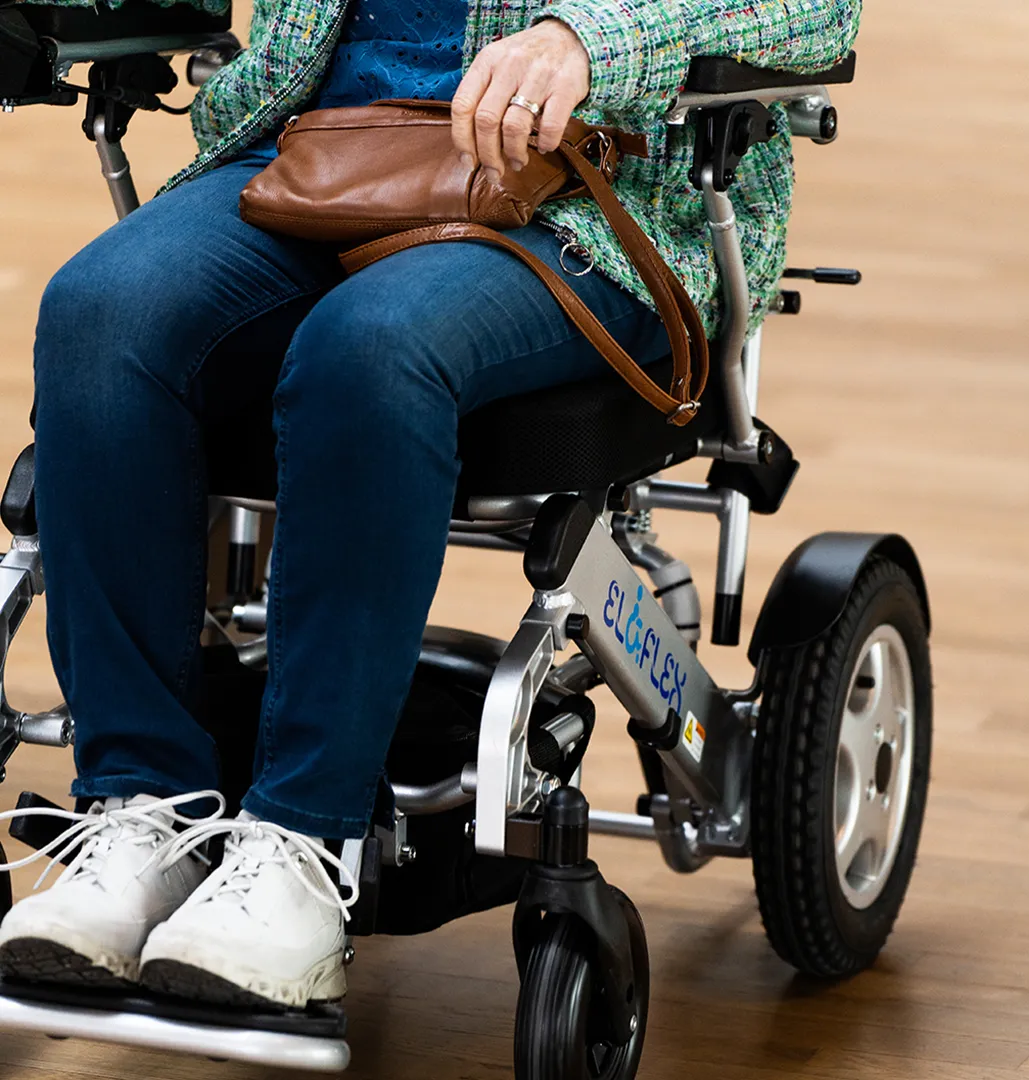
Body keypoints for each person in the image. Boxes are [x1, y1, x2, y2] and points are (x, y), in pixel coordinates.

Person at [0, 0, 861, 1008]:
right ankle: (143, 811)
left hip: (586, 194)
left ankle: (304, 845)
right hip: (317, 154)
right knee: (99, 315)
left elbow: (819, 11)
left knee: (368, 349)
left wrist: (587, 41)